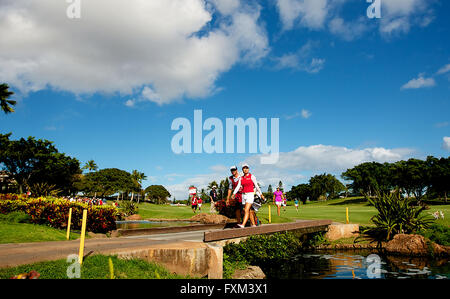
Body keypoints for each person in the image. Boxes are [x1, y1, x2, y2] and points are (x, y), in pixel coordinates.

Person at [232, 164, 264, 228]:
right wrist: (234, 193)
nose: (245, 169)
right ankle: (253, 224)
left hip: (250, 194)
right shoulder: (241, 178)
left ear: (248, 169)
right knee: (249, 210)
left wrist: (261, 194)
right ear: (242, 170)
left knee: (246, 210)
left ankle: (243, 224)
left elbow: (256, 186)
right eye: (244, 168)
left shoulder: (252, 176)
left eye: (247, 168)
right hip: (244, 195)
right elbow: (238, 186)